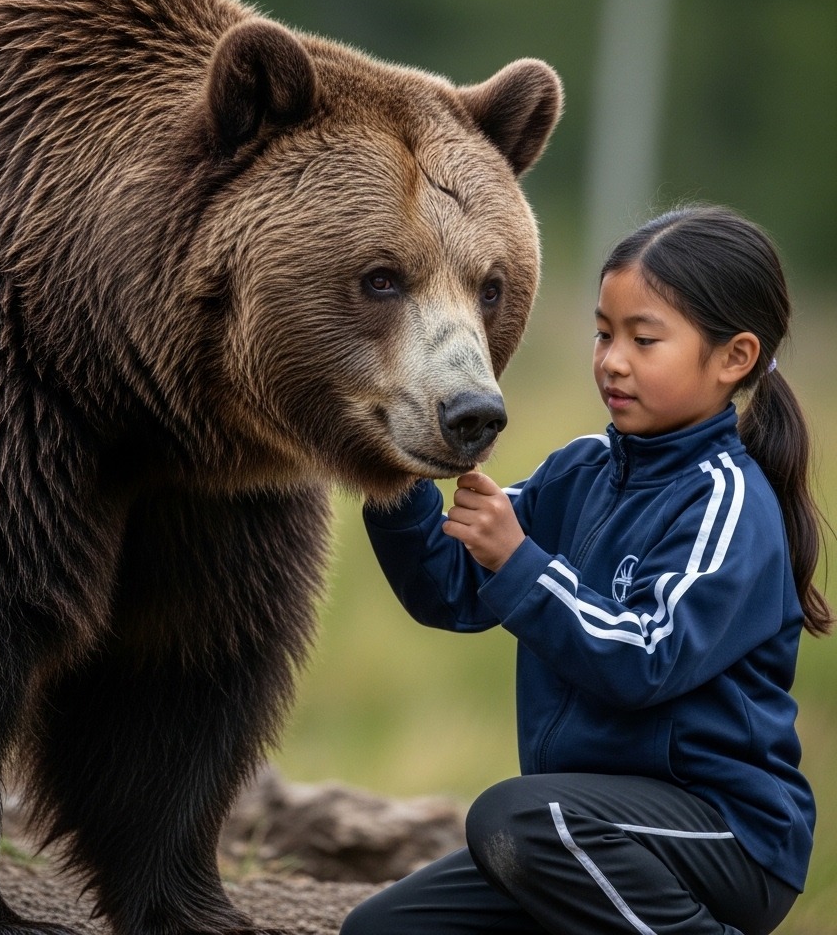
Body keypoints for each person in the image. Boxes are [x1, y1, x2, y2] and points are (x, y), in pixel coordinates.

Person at [342, 205, 832, 935]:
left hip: (727, 838)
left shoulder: (727, 503)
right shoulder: (581, 471)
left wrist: (519, 559)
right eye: (604, 333)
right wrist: (399, 473)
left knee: (512, 818)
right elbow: (449, 590)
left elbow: (648, 658)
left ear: (734, 358)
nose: (613, 360)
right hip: (583, 831)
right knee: (384, 929)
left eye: (644, 339)